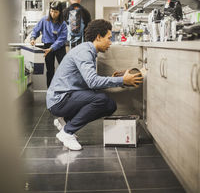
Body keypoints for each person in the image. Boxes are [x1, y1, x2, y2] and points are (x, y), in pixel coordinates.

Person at [46, 19, 143, 151]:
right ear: (98, 37)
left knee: (110, 105)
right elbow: (92, 82)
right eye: (109, 38)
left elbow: (89, 83)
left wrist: (114, 79)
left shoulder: (88, 51)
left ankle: (65, 120)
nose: (110, 42)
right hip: (59, 100)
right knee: (101, 100)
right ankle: (67, 132)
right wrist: (122, 81)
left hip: (66, 96)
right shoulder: (85, 52)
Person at [30, 1, 67, 88]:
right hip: (47, 46)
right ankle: (50, 90)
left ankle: (63, 89)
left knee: (64, 68)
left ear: (60, 12)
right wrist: (33, 38)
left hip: (59, 47)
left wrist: (52, 48)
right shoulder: (44, 20)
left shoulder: (63, 24)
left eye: (56, 12)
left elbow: (62, 39)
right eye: (51, 11)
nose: (53, 14)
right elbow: (36, 30)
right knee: (50, 70)